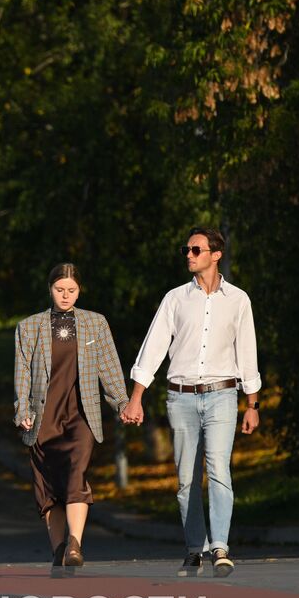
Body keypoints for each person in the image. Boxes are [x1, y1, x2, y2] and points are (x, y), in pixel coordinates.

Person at [121, 227, 261, 578]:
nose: (188, 254)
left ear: (216, 255)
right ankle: (194, 549)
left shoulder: (238, 300)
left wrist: (253, 404)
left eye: (196, 249)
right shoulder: (175, 299)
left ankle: (221, 548)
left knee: (219, 470)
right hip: (180, 398)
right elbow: (152, 347)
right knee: (186, 480)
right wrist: (136, 398)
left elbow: (247, 352)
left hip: (223, 395)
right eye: (186, 249)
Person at [13, 263, 129, 574]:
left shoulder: (95, 323)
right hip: (43, 418)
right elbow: (22, 373)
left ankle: (75, 542)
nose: (66, 296)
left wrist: (122, 403)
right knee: (48, 486)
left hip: (81, 415)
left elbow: (110, 367)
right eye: (59, 290)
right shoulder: (28, 327)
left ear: (80, 291)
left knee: (77, 474)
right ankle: (59, 549)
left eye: (72, 290)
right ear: (49, 289)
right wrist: (22, 410)